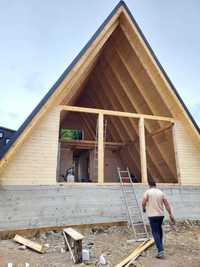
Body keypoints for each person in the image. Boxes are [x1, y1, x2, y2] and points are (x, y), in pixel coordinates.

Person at [142, 177, 175, 259]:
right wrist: (170, 213)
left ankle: (160, 251)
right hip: (161, 215)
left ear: (149, 185)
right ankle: (160, 245)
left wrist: (144, 208)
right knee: (159, 231)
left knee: (155, 232)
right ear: (155, 184)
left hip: (152, 215)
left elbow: (143, 202)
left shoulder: (148, 192)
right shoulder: (161, 192)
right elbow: (167, 204)